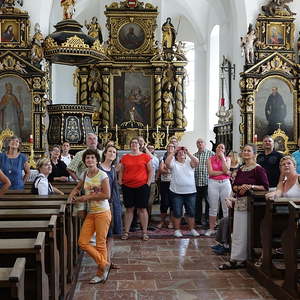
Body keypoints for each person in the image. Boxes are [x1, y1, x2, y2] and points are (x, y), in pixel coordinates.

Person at [219, 144, 269, 270]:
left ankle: (240, 258)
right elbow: (235, 186)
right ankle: (236, 258)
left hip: (252, 205)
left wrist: (250, 186)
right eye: (244, 150)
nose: (246, 152)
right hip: (240, 203)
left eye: (249, 151)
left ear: (254, 154)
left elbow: (265, 187)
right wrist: (238, 188)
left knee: (247, 232)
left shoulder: (258, 169)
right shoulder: (241, 169)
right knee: (237, 232)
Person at [69, 149, 111, 284]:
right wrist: (72, 195)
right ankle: (104, 263)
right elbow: (78, 186)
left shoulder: (102, 175)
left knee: (100, 244)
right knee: (82, 242)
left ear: (97, 160)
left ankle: (100, 273)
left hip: (103, 213)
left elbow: (106, 195)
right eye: (87, 158)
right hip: (92, 213)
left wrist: (86, 197)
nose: (90, 160)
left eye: (92, 158)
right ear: (85, 161)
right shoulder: (84, 173)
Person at [119, 137, 153, 241]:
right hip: (127, 186)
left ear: (140, 145)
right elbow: (121, 170)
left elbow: (150, 171)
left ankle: (145, 232)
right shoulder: (125, 157)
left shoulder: (145, 157)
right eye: (132, 143)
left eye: (136, 143)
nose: (134, 144)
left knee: (142, 209)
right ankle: (126, 232)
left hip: (142, 186)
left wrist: (147, 184)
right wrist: (120, 181)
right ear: (130, 145)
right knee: (129, 209)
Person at [165, 146, 200, 238]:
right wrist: (174, 152)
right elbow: (167, 162)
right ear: (176, 156)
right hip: (176, 192)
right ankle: (177, 230)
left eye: (183, 153)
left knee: (191, 212)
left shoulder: (190, 162)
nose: (181, 154)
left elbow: (197, 161)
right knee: (177, 212)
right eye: (179, 153)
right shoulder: (174, 163)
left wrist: (188, 152)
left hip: (190, 192)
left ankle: (192, 229)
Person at [99, 145, 122, 269]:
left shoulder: (113, 169)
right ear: (105, 153)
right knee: (103, 234)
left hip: (112, 203)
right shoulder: (98, 167)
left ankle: (108, 260)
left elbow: (114, 187)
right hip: (100, 203)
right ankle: (102, 261)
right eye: (110, 151)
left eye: (114, 152)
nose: (112, 154)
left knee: (111, 234)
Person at [206, 143, 232, 236]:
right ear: (215, 149)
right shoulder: (210, 159)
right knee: (213, 207)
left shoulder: (228, 159)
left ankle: (227, 230)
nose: (220, 149)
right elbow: (211, 172)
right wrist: (224, 172)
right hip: (213, 183)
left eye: (222, 148)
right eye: (219, 147)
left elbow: (226, 169)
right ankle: (211, 229)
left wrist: (223, 159)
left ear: (224, 150)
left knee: (226, 207)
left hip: (225, 183)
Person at [193, 138, 214, 227]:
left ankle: (207, 220)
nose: (200, 144)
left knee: (208, 202)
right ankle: (197, 219)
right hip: (197, 182)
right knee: (197, 203)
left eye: (201, 142)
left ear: (205, 144)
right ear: (196, 145)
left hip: (207, 182)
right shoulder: (194, 155)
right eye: (198, 142)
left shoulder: (211, 154)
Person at [157, 143, 175, 229]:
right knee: (164, 202)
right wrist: (168, 170)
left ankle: (171, 221)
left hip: (174, 183)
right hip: (164, 182)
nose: (170, 148)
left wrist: (166, 169)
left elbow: (175, 169)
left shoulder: (176, 158)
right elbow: (161, 169)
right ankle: (162, 221)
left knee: (172, 203)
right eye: (168, 146)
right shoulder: (162, 157)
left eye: (172, 147)